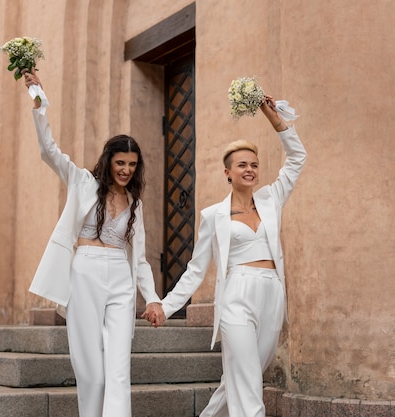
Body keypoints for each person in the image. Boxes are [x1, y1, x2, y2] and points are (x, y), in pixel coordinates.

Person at [144, 95, 307, 417]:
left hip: (272, 292)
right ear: (227, 173)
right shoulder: (213, 215)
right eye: (242, 165)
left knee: (239, 378)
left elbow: (297, 158)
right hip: (237, 295)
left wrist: (274, 119)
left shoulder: (271, 199)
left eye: (254, 165)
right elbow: (195, 269)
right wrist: (166, 305)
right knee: (247, 386)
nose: (250, 170)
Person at [21, 69, 165, 417]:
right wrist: (38, 99)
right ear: (108, 160)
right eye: (120, 163)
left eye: (132, 165)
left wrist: (154, 298)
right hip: (84, 272)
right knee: (92, 373)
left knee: (118, 370)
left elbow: (140, 258)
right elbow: (49, 150)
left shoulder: (136, 205)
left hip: (120, 278)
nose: (126, 170)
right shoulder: (82, 181)